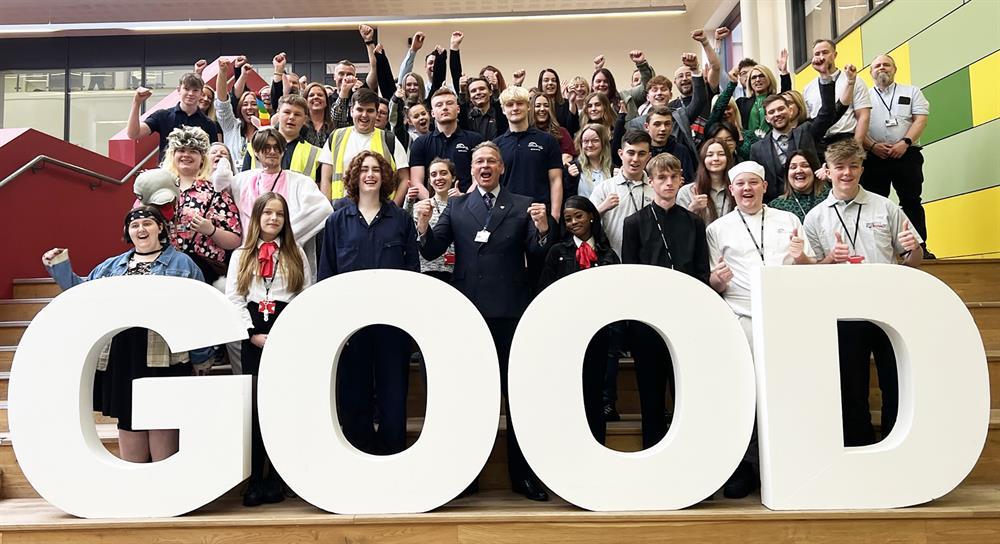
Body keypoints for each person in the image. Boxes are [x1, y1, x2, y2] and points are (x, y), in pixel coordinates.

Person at [414, 141, 554, 501]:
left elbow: (537, 256)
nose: (485, 166)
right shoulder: (457, 205)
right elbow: (431, 249)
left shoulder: (523, 205)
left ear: (502, 168)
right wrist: (424, 226)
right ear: (471, 169)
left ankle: (523, 476)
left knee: (516, 396)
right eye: (479, 161)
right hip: (469, 313)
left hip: (511, 310)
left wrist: (542, 229)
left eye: (492, 160)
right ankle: (467, 474)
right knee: (471, 396)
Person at [42, 207, 206, 463]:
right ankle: (137, 492)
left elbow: (200, 313)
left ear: (160, 228)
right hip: (123, 353)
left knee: (163, 417)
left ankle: (165, 493)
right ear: (128, 232)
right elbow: (82, 294)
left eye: (148, 223)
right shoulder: (111, 266)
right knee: (128, 418)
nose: (141, 229)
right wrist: (59, 266)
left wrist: (200, 358)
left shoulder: (182, 264)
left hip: (163, 354)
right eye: (135, 225)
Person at [706, 160, 816, 498]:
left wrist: (801, 259)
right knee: (746, 395)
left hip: (786, 319)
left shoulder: (789, 220)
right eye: (740, 184)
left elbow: (809, 268)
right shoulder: (717, 229)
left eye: (753, 183)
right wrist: (717, 281)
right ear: (732, 189)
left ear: (765, 186)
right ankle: (747, 467)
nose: (747, 189)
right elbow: (712, 281)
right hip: (742, 319)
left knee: (785, 391)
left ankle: (787, 463)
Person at [803, 138, 922, 447]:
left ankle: (897, 444)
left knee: (894, 382)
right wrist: (831, 259)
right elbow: (810, 271)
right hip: (842, 313)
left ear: (862, 169)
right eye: (839, 167)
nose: (846, 173)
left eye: (853, 166)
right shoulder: (816, 217)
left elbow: (912, 261)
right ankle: (860, 447)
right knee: (851, 386)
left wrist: (913, 251)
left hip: (888, 310)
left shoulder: (886, 206)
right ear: (827, 171)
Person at [319, 151, 420, 455]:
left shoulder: (401, 219)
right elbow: (327, 273)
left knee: (393, 394)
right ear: (355, 176)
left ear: (385, 177)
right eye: (364, 169)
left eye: (376, 169)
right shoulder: (337, 221)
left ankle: (392, 456)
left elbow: (412, 273)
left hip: (392, 325)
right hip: (351, 326)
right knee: (354, 394)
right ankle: (359, 455)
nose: (370, 175)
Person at [621, 152, 710, 450]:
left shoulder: (695, 224)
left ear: (681, 180)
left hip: (685, 318)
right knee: (651, 392)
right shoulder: (634, 223)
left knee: (686, 391)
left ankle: (690, 454)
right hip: (648, 321)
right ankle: (652, 454)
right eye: (661, 178)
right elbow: (630, 275)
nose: (668, 183)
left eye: (673, 177)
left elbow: (701, 272)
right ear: (650, 182)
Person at [226, 192, 310, 506]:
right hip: (254, 336)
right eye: (268, 213)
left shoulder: (295, 252)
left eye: (279, 214)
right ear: (257, 217)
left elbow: (304, 293)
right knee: (256, 409)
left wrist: (287, 333)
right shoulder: (242, 254)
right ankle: (255, 481)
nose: (273, 219)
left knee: (281, 406)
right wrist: (251, 334)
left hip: (285, 333)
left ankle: (277, 477)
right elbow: (234, 298)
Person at [538, 195, 620, 444]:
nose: (573, 222)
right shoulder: (557, 252)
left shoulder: (607, 254)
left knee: (595, 392)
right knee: (568, 392)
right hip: (566, 335)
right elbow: (546, 292)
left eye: (578, 216)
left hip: (598, 335)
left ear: (592, 216)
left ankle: (598, 442)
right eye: (568, 219)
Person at [588, 130, 655, 420]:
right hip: (612, 271)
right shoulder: (605, 187)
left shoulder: (654, 187)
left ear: (649, 156)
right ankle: (607, 401)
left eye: (642, 153)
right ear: (620, 154)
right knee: (612, 343)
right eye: (631, 152)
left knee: (646, 341)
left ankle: (653, 407)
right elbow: (584, 222)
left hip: (647, 273)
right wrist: (601, 209)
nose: (636, 158)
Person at [214, 127, 332, 278]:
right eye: (266, 147)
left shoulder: (300, 181)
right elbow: (220, 190)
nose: (272, 151)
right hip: (250, 256)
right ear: (256, 151)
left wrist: (284, 236)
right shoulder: (242, 180)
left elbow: (323, 209)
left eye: (277, 147)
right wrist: (222, 169)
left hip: (286, 257)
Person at [862, 54, 933, 259]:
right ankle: (878, 249)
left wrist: (905, 143)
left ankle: (919, 247)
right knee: (875, 204)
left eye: (886, 64)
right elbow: (858, 126)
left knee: (911, 201)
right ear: (871, 72)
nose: (882, 68)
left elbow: (920, 120)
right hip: (875, 157)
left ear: (895, 69)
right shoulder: (864, 97)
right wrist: (873, 146)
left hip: (907, 155)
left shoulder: (912, 92)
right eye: (877, 66)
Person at [160, 126, 242, 285]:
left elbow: (235, 240)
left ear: (202, 158)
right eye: (181, 150)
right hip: (163, 267)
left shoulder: (216, 192)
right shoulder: (159, 187)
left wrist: (211, 230)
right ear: (173, 155)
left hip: (202, 272)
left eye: (193, 151)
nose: (186, 155)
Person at [750, 67, 843, 202]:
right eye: (771, 112)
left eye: (781, 109)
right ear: (767, 118)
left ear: (790, 110)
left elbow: (827, 113)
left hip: (814, 201)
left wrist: (825, 78)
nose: (777, 114)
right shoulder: (757, 149)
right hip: (777, 208)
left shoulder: (807, 131)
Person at [319, 88, 410, 204]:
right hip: (341, 211)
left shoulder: (389, 139)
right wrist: (328, 211)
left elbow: (404, 178)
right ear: (351, 111)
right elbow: (326, 178)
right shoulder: (336, 137)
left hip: (381, 210)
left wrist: (393, 209)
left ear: (377, 113)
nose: (364, 115)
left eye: (370, 111)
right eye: (359, 109)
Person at [494, 86, 564, 220]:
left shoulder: (547, 140)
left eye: (520, 103)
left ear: (528, 107)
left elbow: (556, 180)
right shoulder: (496, 145)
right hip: (506, 215)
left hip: (539, 213)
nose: (515, 108)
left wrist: (555, 214)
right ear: (503, 110)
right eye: (510, 105)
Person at [408, 88, 485, 195]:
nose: (445, 108)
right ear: (432, 113)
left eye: (449, 103)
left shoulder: (475, 140)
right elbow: (416, 181)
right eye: (439, 105)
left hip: (468, 204)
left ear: (458, 109)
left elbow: (479, 178)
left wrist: (464, 200)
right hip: (432, 207)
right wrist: (434, 203)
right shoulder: (420, 143)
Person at [127, 72, 219, 158]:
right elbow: (133, 134)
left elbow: (211, 154)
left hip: (196, 173)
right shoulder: (162, 116)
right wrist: (136, 103)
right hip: (167, 172)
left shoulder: (209, 123)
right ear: (179, 90)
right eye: (186, 89)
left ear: (200, 94)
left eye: (195, 90)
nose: (190, 93)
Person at [242, 95, 323, 183]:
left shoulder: (315, 154)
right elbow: (244, 183)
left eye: (297, 114)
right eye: (287, 112)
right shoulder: (254, 147)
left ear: (305, 119)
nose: (291, 117)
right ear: (278, 114)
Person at [805, 39, 871, 146]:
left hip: (845, 139)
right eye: (817, 54)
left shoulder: (853, 80)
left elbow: (863, 115)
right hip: (820, 142)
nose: (821, 57)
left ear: (835, 55)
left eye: (825, 52)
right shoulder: (808, 88)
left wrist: (857, 144)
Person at [409, 158, 459, 282]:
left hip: (457, 272)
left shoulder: (464, 205)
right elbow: (404, 231)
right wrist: (408, 202)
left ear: (453, 177)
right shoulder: (420, 207)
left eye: (443, 173)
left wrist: (464, 201)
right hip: (425, 271)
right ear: (429, 181)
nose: (438, 178)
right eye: (433, 175)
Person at [676, 137, 736, 225]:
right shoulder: (687, 191)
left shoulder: (737, 189)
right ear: (703, 159)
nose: (715, 158)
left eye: (721, 154)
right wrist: (692, 209)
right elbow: (679, 228)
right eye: (710, 155)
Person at [215, 58, 260, 167]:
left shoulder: (266, 130)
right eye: (245, 104)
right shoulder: (231, 126)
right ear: (239, 109)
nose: (249, 108)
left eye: (254, 104)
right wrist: (222, 73)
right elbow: (222, 103)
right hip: (233, 181)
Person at [769, 149, 831, 222]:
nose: (799, 170)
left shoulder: (831, 197)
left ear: (814, 170)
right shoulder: (776, 206)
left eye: (805, 166)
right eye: (793, 167)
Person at [643, 106, 696, 183]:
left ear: (672, 126)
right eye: (657, 124)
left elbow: (690, 182)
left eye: (667, 124)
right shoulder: (641, 152)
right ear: (647, 126)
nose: (663, 128)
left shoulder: (682, 151)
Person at [567, 123, 613, 198]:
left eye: (595, 141)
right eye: (585, 141)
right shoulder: (572, 168)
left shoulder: (613, 170)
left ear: (603, 143)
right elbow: (567, 200)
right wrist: (570, 179)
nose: (590, 145)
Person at [531, 92, 575, 157]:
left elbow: (567, 157)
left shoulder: (562, 132)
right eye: (538, 106)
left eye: (546, 106)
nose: (542, 109)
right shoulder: (525, 132)